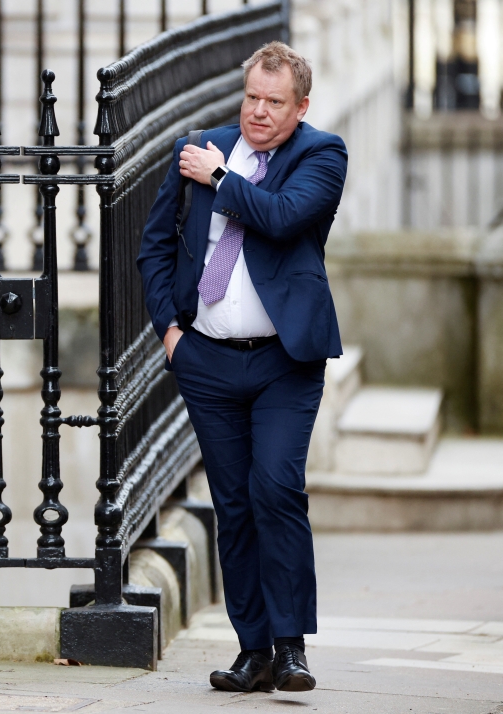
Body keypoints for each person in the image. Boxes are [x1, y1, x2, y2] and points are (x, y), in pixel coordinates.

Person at [137, 41, 348, 693]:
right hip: (207, 362)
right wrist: (172, 332)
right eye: (252, 96)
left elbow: (283, 219)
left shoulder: (320, 154)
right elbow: (153, 244)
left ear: (300, 106)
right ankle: (253, 650)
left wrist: (222, 181)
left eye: (274, 102)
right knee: (233, 505)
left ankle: (292, 648)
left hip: (285, 362)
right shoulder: (203, 147)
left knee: (275, 491)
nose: (258, 112)